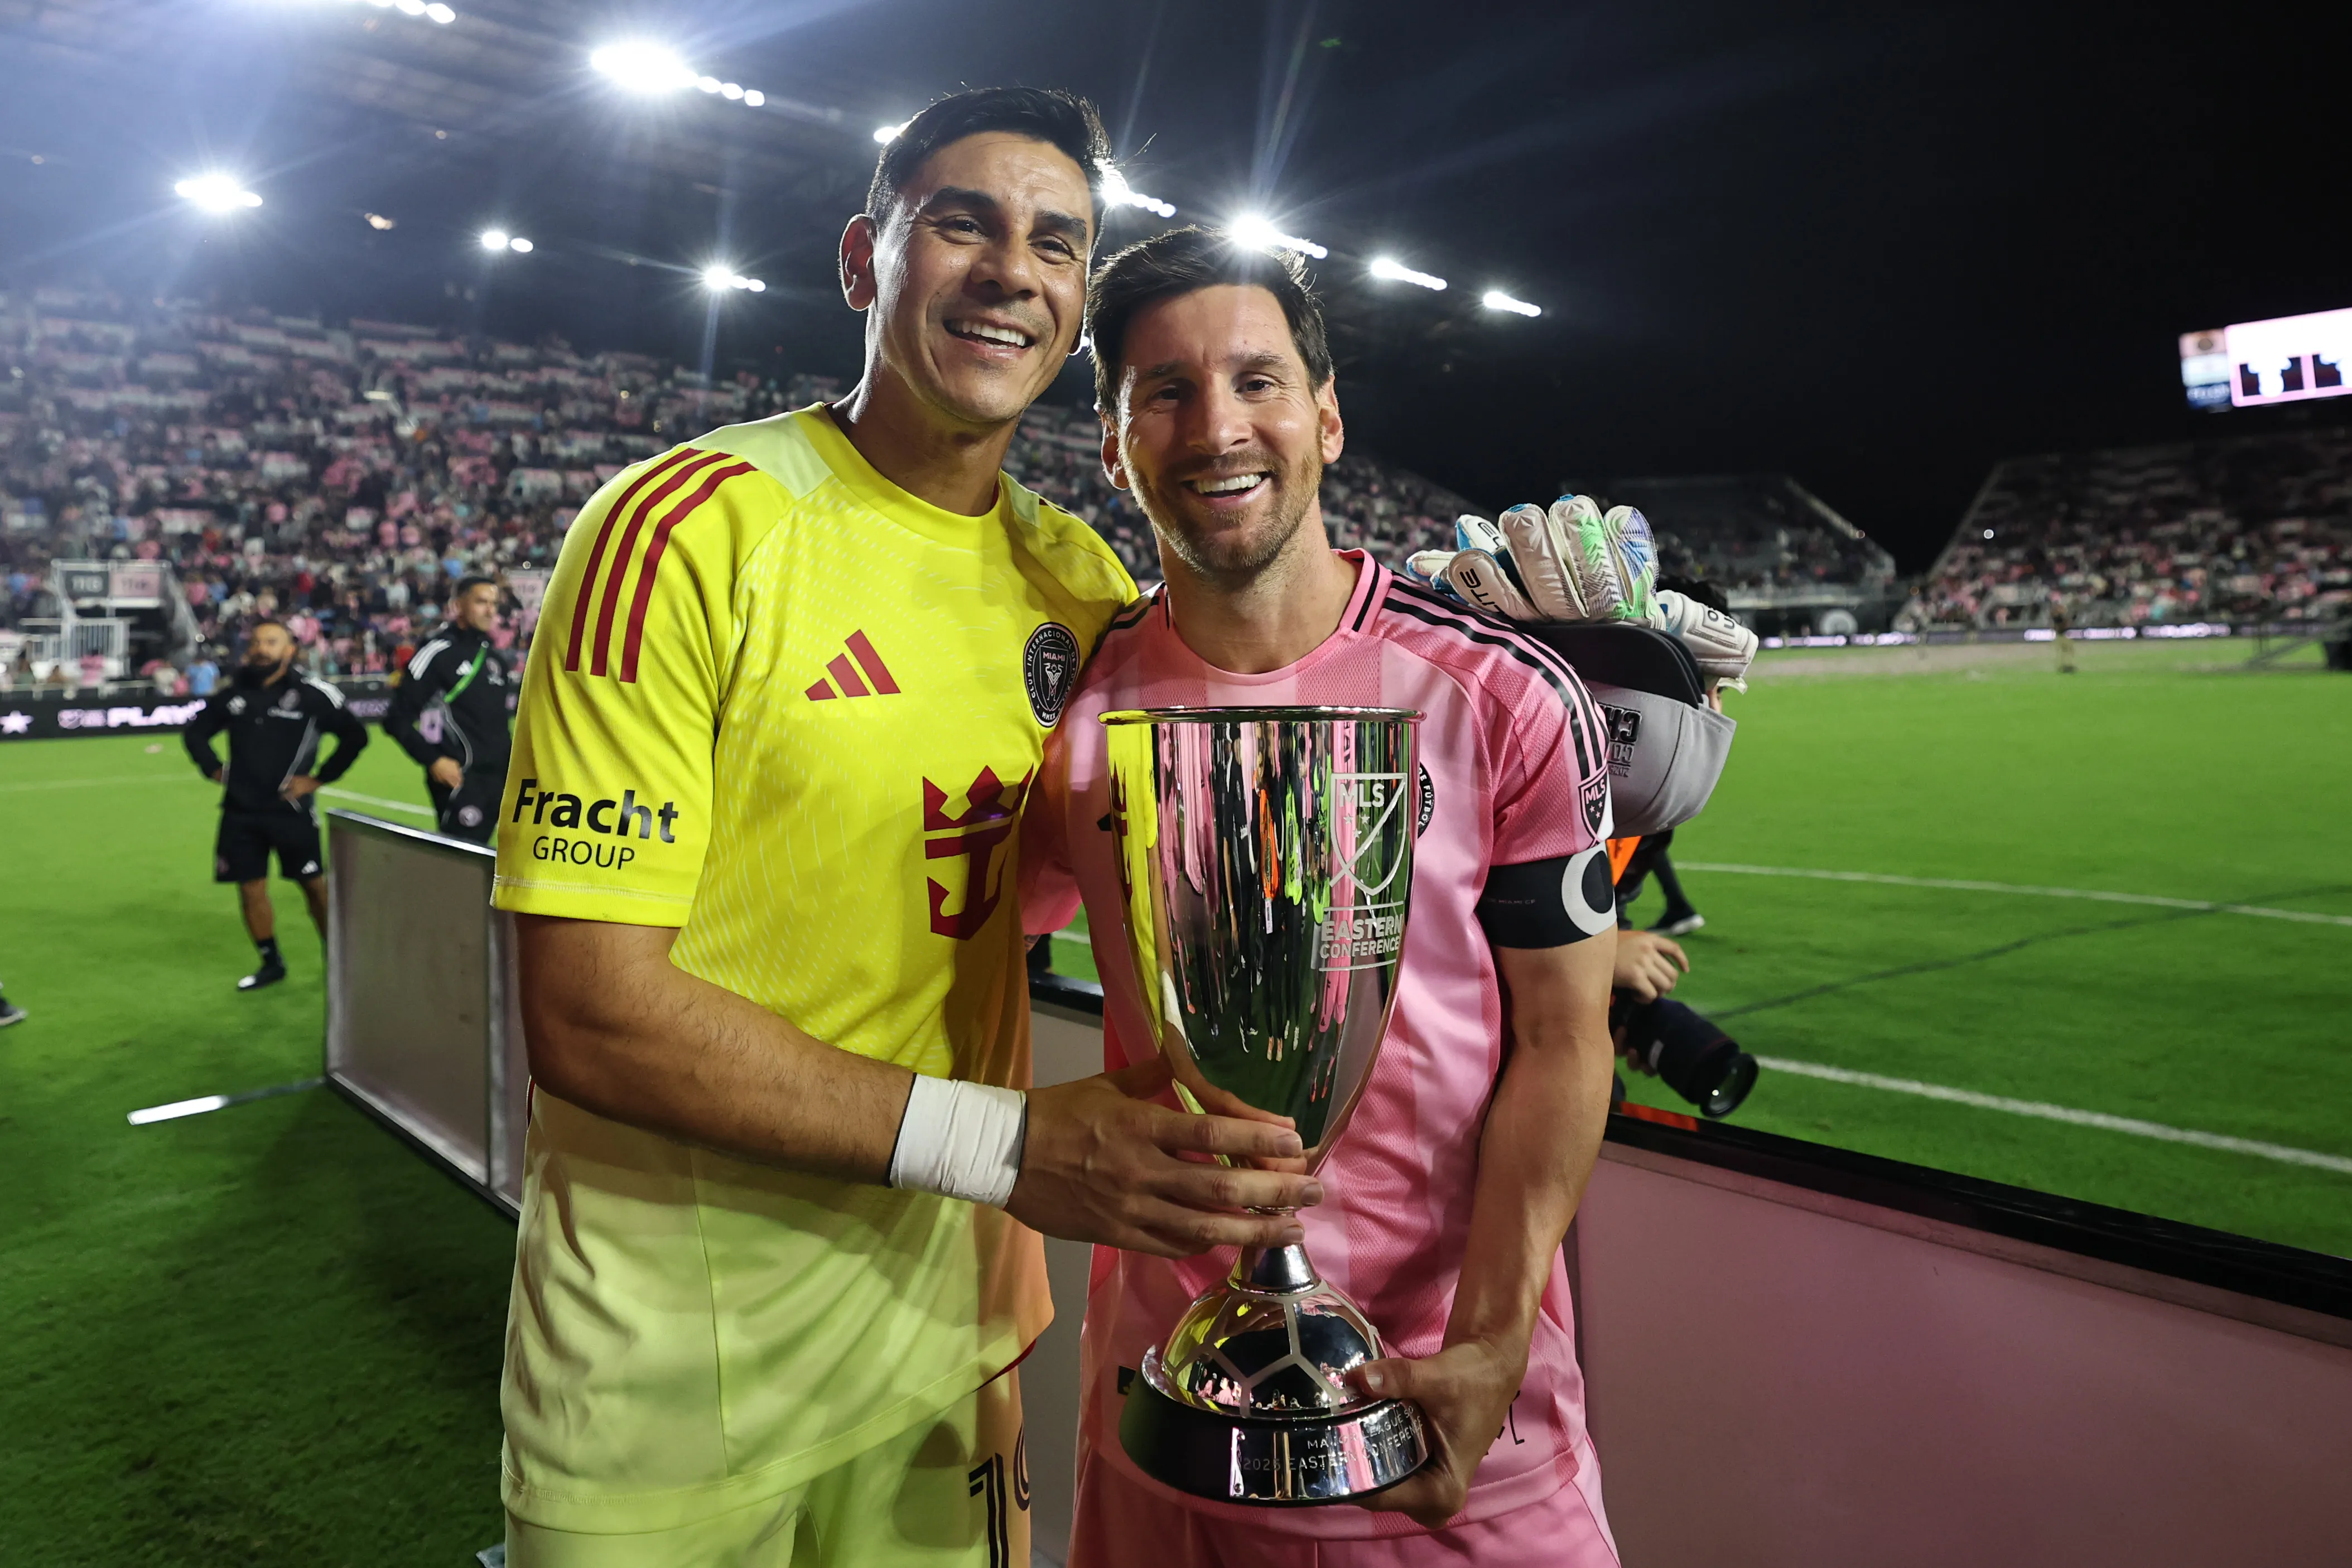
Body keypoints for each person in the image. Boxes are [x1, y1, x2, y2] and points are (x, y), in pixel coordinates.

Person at [486, 89, 1320, 1568]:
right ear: (867, 260)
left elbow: (1238, 750)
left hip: (952, 1351)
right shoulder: (683, 531)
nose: (1013, 267)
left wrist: (1516, 673)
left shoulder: (1073, 584)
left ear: (1075, 307)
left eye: (1057, 240)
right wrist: (1005, 1146)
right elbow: (588, 1012)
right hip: (671, 1382)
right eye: (964, 222)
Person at [1024, 226, 1623, 1567]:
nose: (1214, 425)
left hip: (1451, 1423)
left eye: (1256, 379)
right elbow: (957, 945)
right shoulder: (1071, 701)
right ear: (1116, 448)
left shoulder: (1500, 690)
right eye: (1162, 393)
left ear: (1328, 417)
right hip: (1167, 1418)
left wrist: (1488, 1341)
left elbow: (1566, 1038)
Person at [181, 619, 368, 991]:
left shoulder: (313, 693)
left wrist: (319, 778)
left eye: (271, 641)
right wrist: (214, 769)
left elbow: (355, 736)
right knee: (250, 889)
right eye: (256, 642)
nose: (261, 648)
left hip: (291, 811)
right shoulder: (235, 693)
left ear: (289, 650)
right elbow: (196, 732)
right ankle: (271, 962)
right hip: (240, 812)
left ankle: (339, 959)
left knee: (314, 885)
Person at [385, 575, 511, 843]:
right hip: (461, 781)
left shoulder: (496, 659)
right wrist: (433, 759)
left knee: (503, 871)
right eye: (481, 602)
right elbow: (396, 719)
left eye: (494, 604)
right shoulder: (436, 652)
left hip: (502, 781)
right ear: (458, 606)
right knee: (459, 873)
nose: (490, 610)